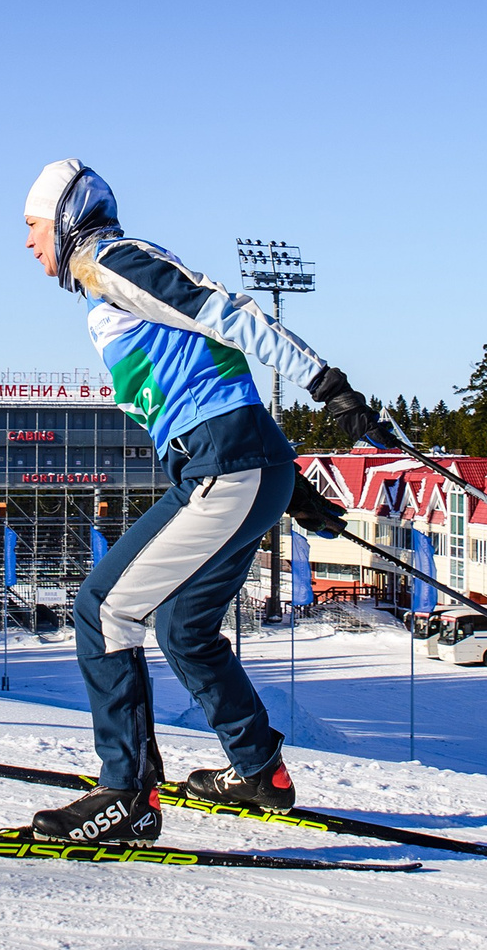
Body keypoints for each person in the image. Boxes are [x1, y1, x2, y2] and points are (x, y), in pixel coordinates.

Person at [20, 159, 388, 844]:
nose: (28, 242)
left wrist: (324, 382)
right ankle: (258, 770)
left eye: (33, 225)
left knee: (105, 607)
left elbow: (225, 311)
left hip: (228, 465)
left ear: (66, 216)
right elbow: (210, 377)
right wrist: (293, 487)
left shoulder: (111, 260)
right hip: (246, 460)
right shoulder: (105, 288)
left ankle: (127, 792)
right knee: (184, 628)